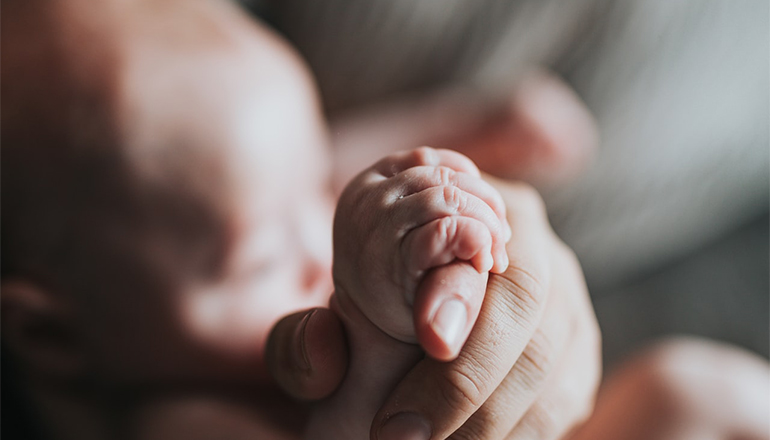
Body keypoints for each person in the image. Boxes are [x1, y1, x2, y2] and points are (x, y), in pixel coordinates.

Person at [2, 0, 600, 439]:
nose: (322, 244)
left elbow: (310, 168)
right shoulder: (184, 420)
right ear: (49, 335)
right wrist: (374, 323)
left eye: (319, 187)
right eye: (264, 260)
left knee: (681, 389)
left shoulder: (236, 198)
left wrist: (481, 127)